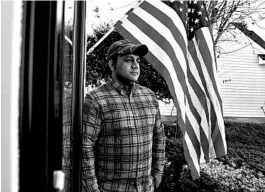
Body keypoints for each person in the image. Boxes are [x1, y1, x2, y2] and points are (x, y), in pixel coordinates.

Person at [82, 39, 166, 192]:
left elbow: (159, 138)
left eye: (137, 61)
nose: (135, 65)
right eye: (128, 60)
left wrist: (158, 174)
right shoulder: (96, 99)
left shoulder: (149, 97)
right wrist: (92, 189)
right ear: (112, 64)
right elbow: (84, 148)